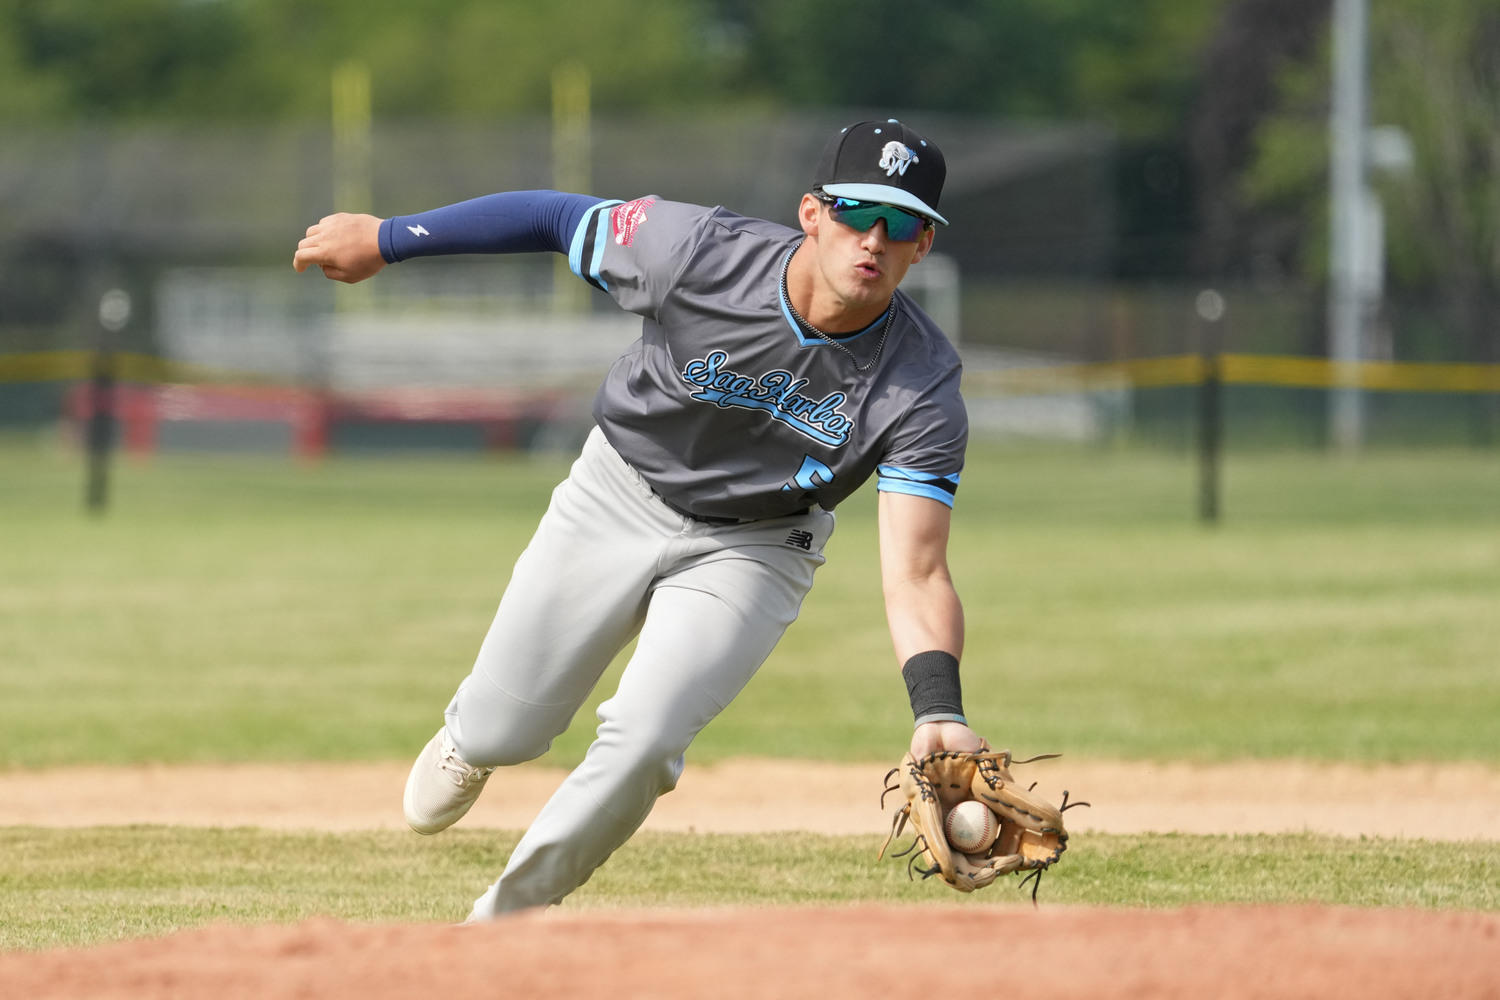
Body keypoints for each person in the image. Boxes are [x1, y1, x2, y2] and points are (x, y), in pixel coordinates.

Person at [292, 118, 982, 920]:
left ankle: (500, 925)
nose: (875, 239)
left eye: (902, 224)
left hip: (758, 542)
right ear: (812, 214)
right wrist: (388, 238)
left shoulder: (920, 385)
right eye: (860, 213)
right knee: (502, 730)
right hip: (618, 491)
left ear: (923, 246)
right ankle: (471, 742)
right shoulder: (692, 251)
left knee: (646, 740)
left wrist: (939, 708)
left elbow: (918, 569)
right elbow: (556, 217)